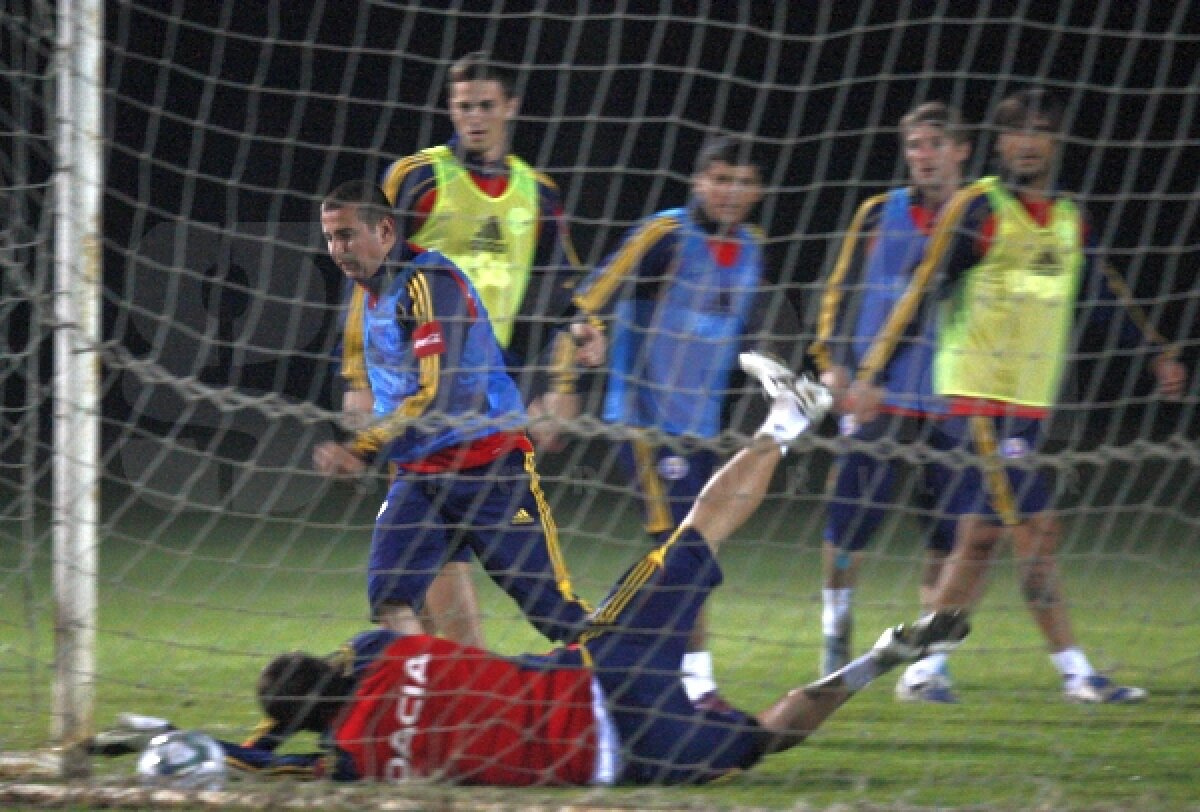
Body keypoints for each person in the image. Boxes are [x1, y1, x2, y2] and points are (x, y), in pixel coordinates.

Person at [91, 353, 970, 785]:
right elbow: (323, 694)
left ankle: (880, 657)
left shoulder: (354, 761)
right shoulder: (377, 652)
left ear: (306, 730)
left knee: (758, 748)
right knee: (695, 535)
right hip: (598, 673)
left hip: (616, 761)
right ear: (329, 667)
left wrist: (189, 746)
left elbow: (267, 767)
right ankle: (788, 421)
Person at [852, 88, 1187, 703]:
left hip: (1031, 404)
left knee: (978, 541)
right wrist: (872, 373)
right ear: (998, 144)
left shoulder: (1067, 217)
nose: (1025, 143)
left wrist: (1154, 350)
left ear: (1055, 143)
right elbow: (922, 288)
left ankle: (925, 668)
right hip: (977, 397)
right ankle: (1076, 673)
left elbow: (1101, 290)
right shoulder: (980, 207)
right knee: (1036, 531)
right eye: (1014, 132)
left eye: (1038, 131)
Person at [346, 52, 598, 646]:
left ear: (510, 107)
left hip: (487, 406)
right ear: (449, 109)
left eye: (486, 106)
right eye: (463, 107)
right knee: (421, 567)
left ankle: (512, 676)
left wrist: (573, 362)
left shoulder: (538, 194)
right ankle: (464, 685)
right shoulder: (419, 178)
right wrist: (355, 376)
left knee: (501, 575)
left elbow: (559, 288)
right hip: (416, 396)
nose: (474, 118)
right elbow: (365, 274)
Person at [313, 180, 590, 646]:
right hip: (420, 474)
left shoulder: (429, 281)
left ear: (383, 230)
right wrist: (358, 392)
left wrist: (363, 447)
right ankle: (437, 702)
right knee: (391, 597)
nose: (336, 249)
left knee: (552, 611)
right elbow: (374, 367)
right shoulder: (365, 291)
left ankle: (629, 682)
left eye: (345, 235)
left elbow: (438, 393)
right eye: (329, 238)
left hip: (487, 467)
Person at [561, 136, 772, 707]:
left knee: (692, 551)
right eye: (720, 178)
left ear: (757, 191)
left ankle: (603, 656)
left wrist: (767, 373)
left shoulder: (752, 245)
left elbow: (741, 331)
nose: (730, 192)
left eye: (743, 181)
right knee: (682, 547)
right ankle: (693, 686)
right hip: (646, 420)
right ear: (699, 182)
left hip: (700, 424)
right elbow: (587, 296)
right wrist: (588, 337)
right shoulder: (667, 235)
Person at [808, 102, 968, 696]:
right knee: (848, 524)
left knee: (946, 536)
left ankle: (928, 665)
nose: (923, 156)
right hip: (877, 400)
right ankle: (835, 633)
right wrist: (832, 368)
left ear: (961, 151)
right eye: (915, 145)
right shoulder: (879, 213)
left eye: (935, 143)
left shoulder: (979, 219)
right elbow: (837, 287)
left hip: (951, 401)